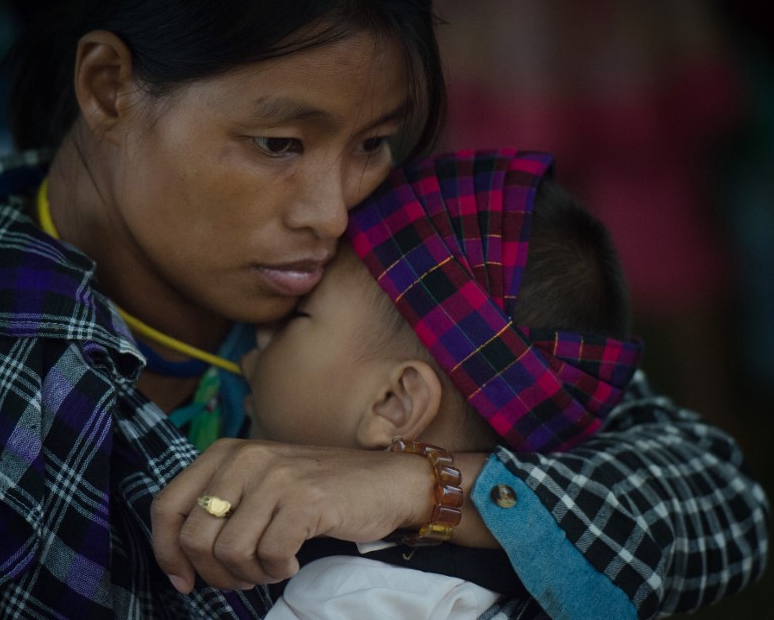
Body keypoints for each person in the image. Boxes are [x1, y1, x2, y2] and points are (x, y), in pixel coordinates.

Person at [0, 0, 766, 619]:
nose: (332, 210)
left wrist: (418, 488)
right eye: (278, 143)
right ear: (110, 86)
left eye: (373, 142)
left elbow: (716, 499)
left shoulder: (374, 257)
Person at [243, 149, 644, 618]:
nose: (261, 326)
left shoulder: (350, 601)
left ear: (394, 403)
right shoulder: (520, 560)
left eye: (299, 314)